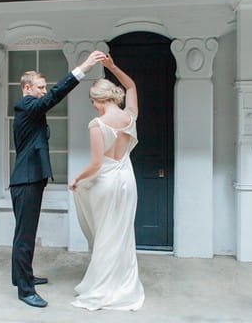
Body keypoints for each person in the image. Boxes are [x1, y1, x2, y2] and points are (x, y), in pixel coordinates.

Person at [10, 50, 106, 308]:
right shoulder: (26, 104)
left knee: (25, 234)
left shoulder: (31, 110)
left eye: (44, 87)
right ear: (27, 87)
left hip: (31, 179)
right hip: (26, 180)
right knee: (25, 236)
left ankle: (23, 276)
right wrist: (83, 68)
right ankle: (25, 290)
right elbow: (53, 97)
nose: (44, 91)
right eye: (40, 87)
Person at [68, 54, 145, 311]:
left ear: (99, 101)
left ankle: (102, 288)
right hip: (127, 181)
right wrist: (112, 66)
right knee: (122, 235)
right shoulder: (129, 117)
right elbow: (131, 86)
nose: (94, 107)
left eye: (93, 103)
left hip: (107, 183)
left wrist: (77, 178)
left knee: (105, 235)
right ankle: (124, 286)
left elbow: (96, 165)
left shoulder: (97, 123)